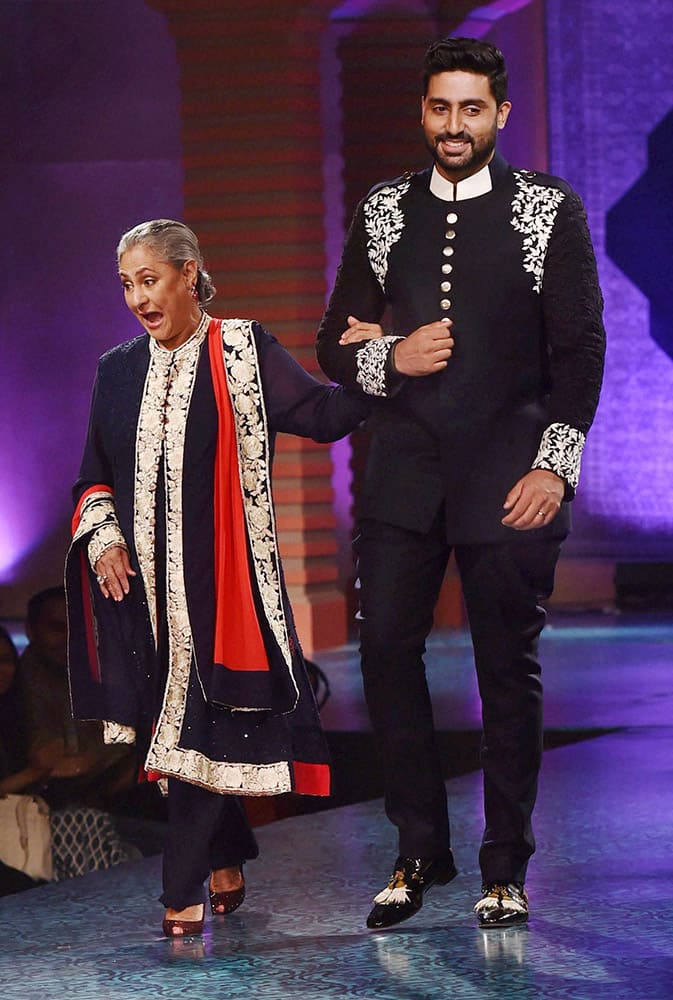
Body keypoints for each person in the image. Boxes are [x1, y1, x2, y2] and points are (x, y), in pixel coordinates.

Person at [316, 36, 605, 930]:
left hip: (508, 475)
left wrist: (554, 468)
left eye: (470, 109)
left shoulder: (545, 209)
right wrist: (386, 354)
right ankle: (418, 850)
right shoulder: (384, 209)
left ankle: (504, 865)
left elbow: (579, 350)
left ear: (500, 115)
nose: (453, 125)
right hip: (404, 473)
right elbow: (334, 342)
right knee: (386, 656)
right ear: (422, 113)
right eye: (439, 108)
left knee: (503, 669)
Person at [65, 219, 370, 937]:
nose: (139, 298)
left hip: (222, 588)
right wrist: (105, 540)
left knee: (194, 727)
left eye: (151, 280)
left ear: (188, 273)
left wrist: (370, 365)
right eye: (128, 286)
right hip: (144, 595)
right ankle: (226, 852)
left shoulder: (241, 349)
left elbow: (323, 416)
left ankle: (180, 887)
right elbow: (92, 476)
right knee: (173, 736)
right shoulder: (117, 370)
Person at [0, 624, 132, 894]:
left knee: (89, 822)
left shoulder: (14, 716)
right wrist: (38, 769)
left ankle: (101, 905)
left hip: (33, 813)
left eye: (5, 660)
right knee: (82, 823)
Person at [19, 586, 137, 807]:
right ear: (31, 630)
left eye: (77, 627)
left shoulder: (92, 675)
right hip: (34, 812)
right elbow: (56, 763)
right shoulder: (14, 685)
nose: (69, 638)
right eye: (57, 628)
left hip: (97, 803)